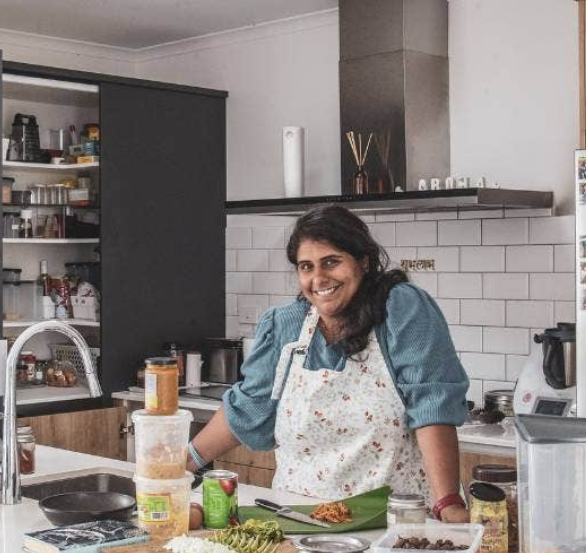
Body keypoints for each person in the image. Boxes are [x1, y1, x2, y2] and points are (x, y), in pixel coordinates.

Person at [186, 205, 471, 522]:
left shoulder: (401, 308)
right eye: (306, 267)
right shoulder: (286, 326)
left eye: (331, 262)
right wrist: (183, 462)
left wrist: (447, 502)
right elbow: (249, 410)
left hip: (393, 524)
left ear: (362, 261)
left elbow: (431, 405)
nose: (318, 278)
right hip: (297, 521)